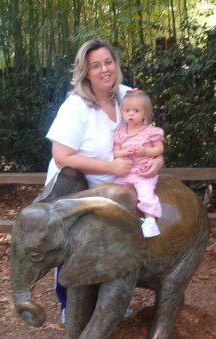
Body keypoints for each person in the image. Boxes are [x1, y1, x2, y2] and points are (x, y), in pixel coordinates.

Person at [44, 39, 164, 323]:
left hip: (115, 187)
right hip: (74, 184)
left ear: (116, 64)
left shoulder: (127, 95)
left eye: (108, 62)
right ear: (85, 72)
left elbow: (148, 136)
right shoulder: (75, 106)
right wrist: (110, 165)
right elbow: (61, 155)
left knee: (109, 245)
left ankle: (109, 304)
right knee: (72, 248)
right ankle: (68, 307)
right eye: (95, 65)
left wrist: (157, 162)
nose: (104, 69)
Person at [113, 89, 164, 238]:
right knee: (114, 192)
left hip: (143, 172)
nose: (130, 114)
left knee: (146, 194)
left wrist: (146, 152)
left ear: (145, 114)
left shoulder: (151, 132)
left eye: (136, 111)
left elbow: (159, 149)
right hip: (125, 172)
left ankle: (150, 221)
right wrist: (123, 153)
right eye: (127, 110)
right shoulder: (121, 133)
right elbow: (116, 151)